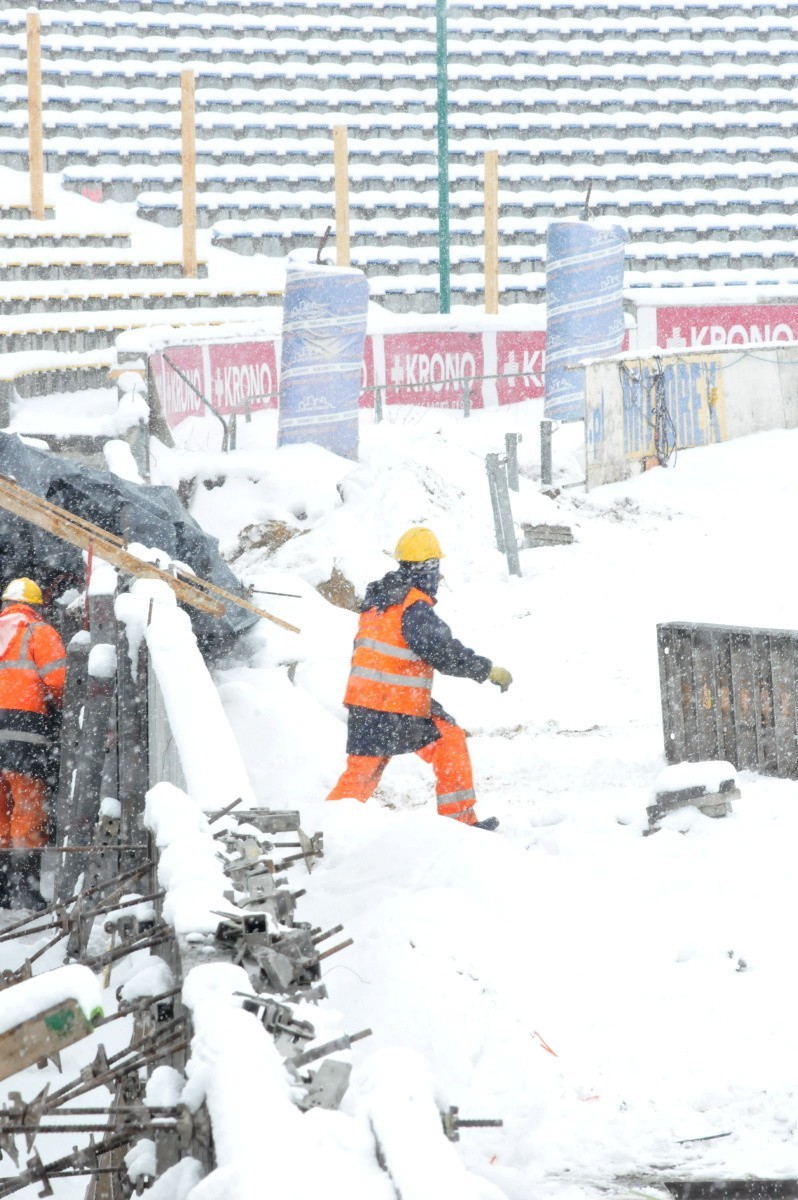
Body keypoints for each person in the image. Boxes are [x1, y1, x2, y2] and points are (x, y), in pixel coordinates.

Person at [327, 527, 512, 829]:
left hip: (366, 702)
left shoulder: (378, 601)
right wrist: (487, 669)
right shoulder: (413, 608)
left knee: (361, 774)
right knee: (449, 741)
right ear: (426, 569)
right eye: (434, 569)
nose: (436, 577)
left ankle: (325, 830)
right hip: (395, 703)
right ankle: (460, 825)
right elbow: (444, 652)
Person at [0, 578, 66, 910]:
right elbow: (58, 680)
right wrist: (60, 707)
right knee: (27, 808)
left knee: (0, 813)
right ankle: (23, 889)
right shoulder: (38, 632)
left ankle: (2, 891)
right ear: (37, 606)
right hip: (24, 732)